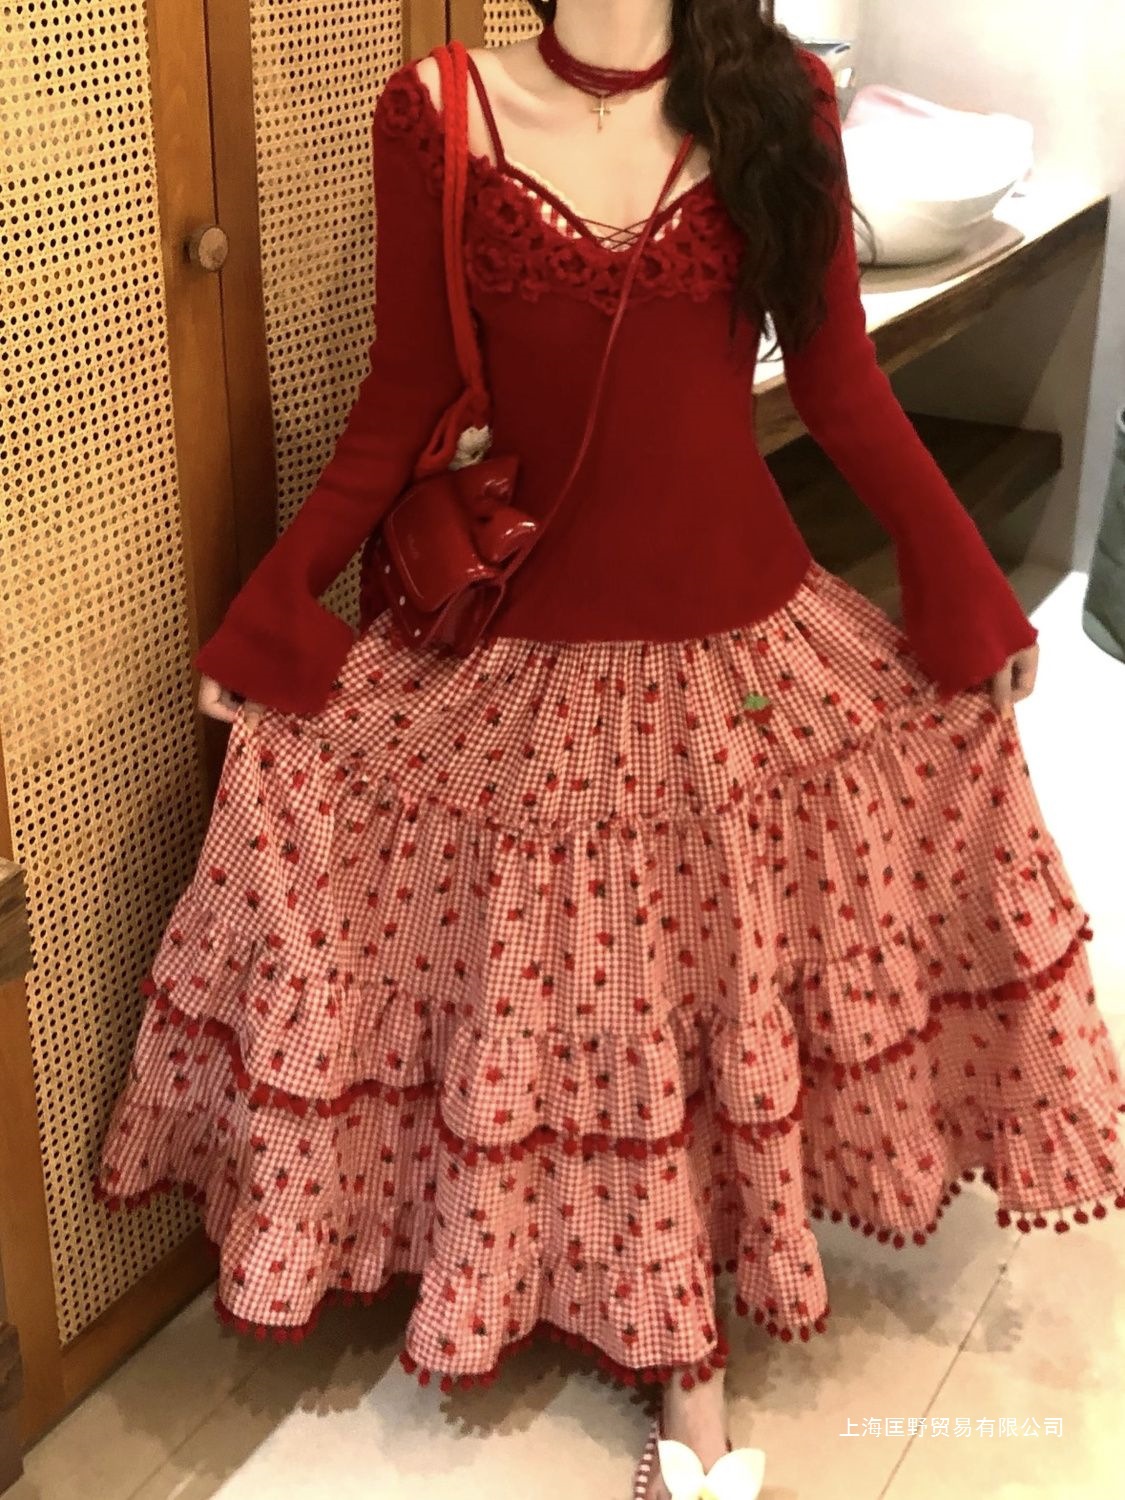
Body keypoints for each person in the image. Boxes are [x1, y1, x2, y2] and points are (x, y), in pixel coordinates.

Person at [95, 4, 1125, 1499]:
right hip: (526, 644)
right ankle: (589, 1287)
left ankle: (687, 1348)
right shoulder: (437, 112)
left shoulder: (776, 99)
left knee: (703, 972)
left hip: (741, 632)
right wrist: (274, 611)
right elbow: (400, 399)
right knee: (582, 978)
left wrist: (964, 587)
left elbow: (837, 382)